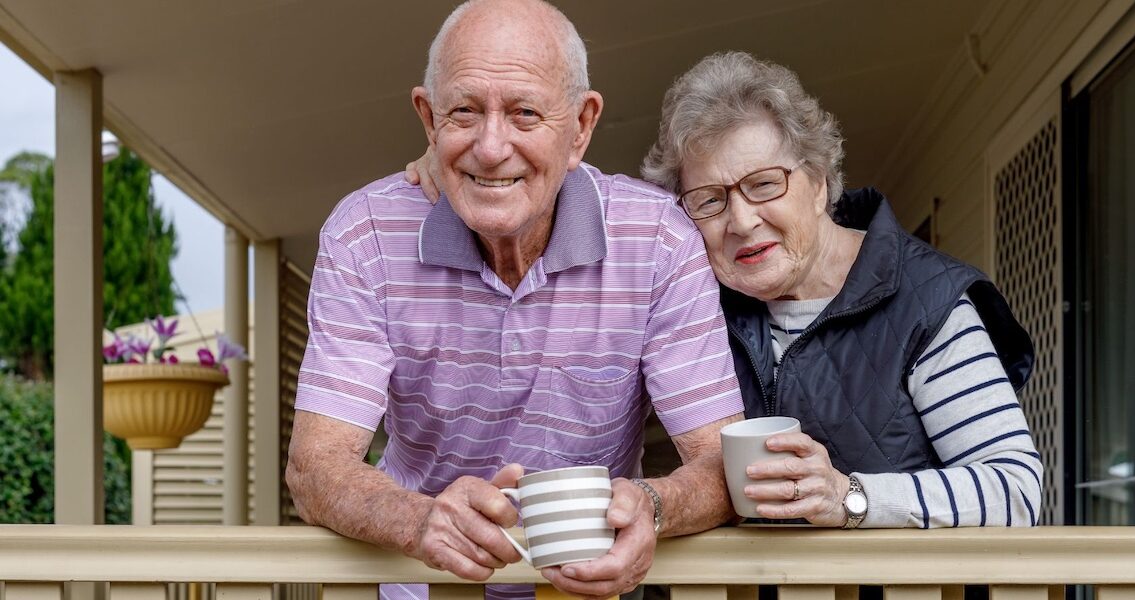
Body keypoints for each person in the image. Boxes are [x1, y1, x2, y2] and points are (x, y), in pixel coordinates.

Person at [285, 3, 745, 600]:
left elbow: (719, 463)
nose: (491, 147)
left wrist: (655, 506)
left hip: (583, 593)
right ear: (429, 120)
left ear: (581, 127)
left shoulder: (658, 240)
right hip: (427, 587)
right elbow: (314, 467)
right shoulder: (364, 235)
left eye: (525, 113)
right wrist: (419, 520)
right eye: (464, 112)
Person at [638, 51, 1042, 529]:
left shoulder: (926, 300)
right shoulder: (693, 307)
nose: (742, 221)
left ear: (819, 184)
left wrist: (853, 496)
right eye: (710, 200)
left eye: (765, 185)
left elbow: (1015, 490)